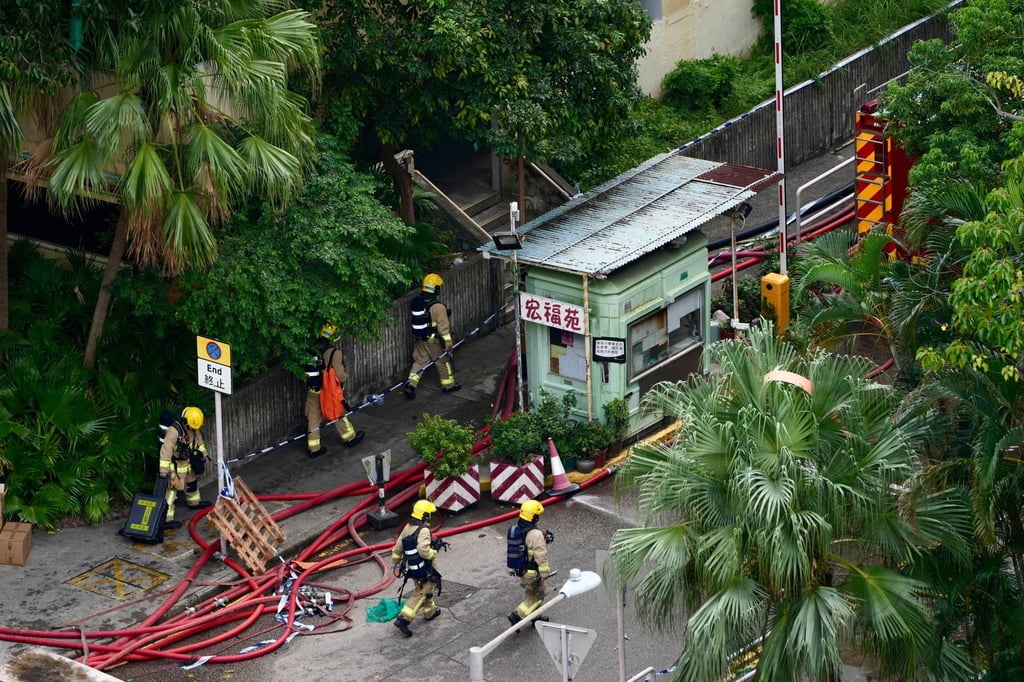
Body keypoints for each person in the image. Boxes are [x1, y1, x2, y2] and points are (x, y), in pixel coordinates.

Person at [304, 325, 364, 458]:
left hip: (313, 391)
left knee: (313, 418)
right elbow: (340, 375)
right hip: (329, 392)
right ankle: (350, 438)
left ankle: (314, 449)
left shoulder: (310, 350)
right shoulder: (333, 352)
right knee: (338, 413)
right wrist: (344, 378)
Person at [391, 499, 444, 637]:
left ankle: (430, 612)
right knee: (422, 592)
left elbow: (398, 548)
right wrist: (434, 552)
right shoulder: (424, 530)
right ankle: (404, 619)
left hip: (413, 569)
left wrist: (396, 560)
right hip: (426, 569)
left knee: (424, 590)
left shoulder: (407, 527)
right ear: (425, 515)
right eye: (429, 514)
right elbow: (423, 550)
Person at [404, 273, 461, 399]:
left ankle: (410, 385)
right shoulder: (438, 307)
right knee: (443, 362)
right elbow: (443, 328)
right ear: (436, 289)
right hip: (434, 342)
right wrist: (448, 343)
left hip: (421, 340)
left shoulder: (419, 302)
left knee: (419, 362)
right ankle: (449, 386)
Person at [158, 406, 212, 529]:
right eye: (193, 427)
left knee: (192, 483)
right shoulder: (174, 431)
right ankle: (167, 518)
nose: (195, 429)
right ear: (185, 422)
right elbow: (166, 450)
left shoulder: (193, 427)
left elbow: (199, 442)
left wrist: (205, 455)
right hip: (176, 466)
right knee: (172, 492)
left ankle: (194, 502)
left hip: (188, 462)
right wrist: (164, 470)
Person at [507, 499, 552, 626]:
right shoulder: (535, 534)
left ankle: (536, 617)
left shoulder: (518, 529)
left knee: (535, 592)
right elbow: (541, 555)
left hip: (523, 571)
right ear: (534, 517)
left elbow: (528, 548)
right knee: (537, 596)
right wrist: (545, 573)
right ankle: (516, 615)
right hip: (532, 573)